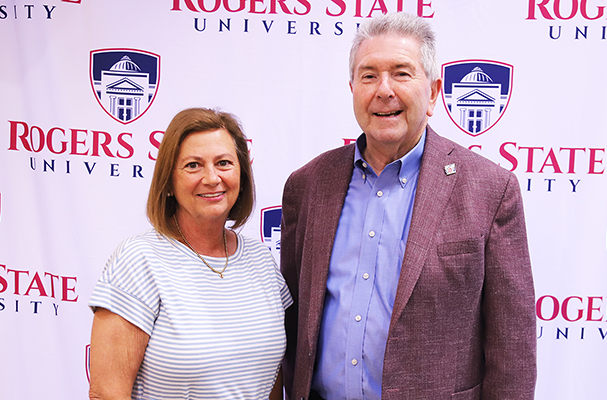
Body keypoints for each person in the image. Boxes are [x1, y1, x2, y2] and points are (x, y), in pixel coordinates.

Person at [280, 13, 536, 400]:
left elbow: (512, 345)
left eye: (401, 73)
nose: (384, 90)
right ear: (352, 88)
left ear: (433, 92)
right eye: (368, 76)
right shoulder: (308, 186)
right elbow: (294, 321)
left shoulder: (490, 190)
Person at [88, 108, 292, 400]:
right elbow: (107, 393)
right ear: (169, 182)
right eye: (194, 165)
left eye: (224, 163)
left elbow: (272, 379)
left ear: (242, 175)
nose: (212, 178)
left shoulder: (260, 260)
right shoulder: (138, 260)